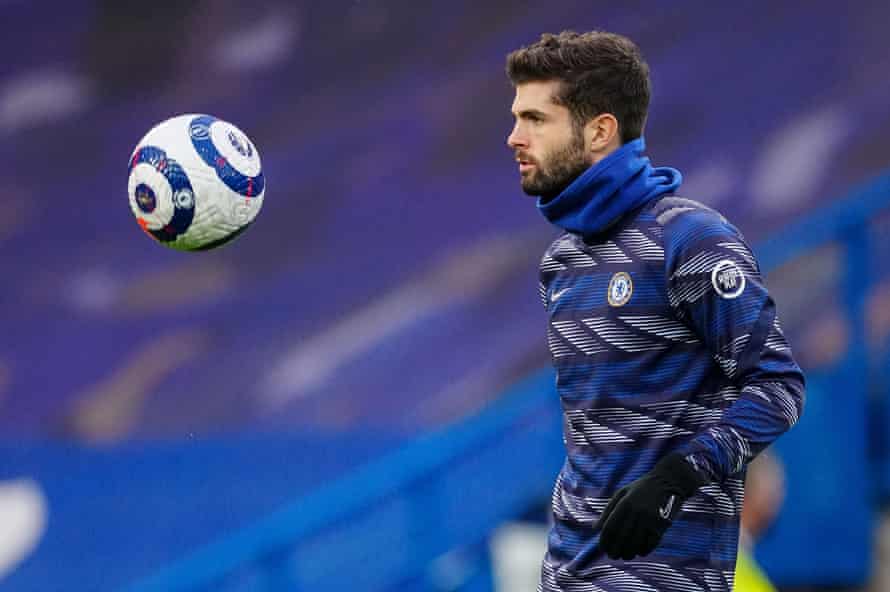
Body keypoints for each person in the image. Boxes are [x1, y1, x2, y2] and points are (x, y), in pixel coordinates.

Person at [505, 31, 805, 591]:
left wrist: (676, 478)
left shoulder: (690, 240)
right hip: (569, 576)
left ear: (600, 130)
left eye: (535, 119)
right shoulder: (561, 263)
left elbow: (778, 387)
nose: (514, 137)